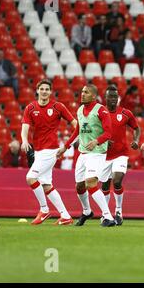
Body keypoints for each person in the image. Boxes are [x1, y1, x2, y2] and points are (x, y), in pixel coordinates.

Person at [57, 84, 116, 227]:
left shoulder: (101, 110)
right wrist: (65, 147)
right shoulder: (79, 110)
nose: (82, 94)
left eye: (86, 92)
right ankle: (87, 211)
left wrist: (96, 141)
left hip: (97, 153)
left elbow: (109, 133)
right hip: (83, 154)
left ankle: (108, 217)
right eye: (82, 91)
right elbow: (77, 131)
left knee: (91, 183)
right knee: (79, 186)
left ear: (94, 96)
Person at [21, 79, 76, 225]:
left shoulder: (58, 106)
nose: (44, 91)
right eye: (42, 89)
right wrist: (24, 140)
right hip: (38, 150)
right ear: (37, 90)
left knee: (30, 178)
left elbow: (75, 124)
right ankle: (65, 216)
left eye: (47, 89)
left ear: (50, 92)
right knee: (46, 184)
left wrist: (72, 141)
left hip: (51, 150)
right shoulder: (30, 108)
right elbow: (25, 126)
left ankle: (44, 210)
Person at [100, 85, 140, 226]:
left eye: (115, 97)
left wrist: (135, 140)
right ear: (105, 98)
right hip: (103, 155)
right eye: (111, 96)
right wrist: (102, 141)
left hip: (121, 154)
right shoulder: (99, 113)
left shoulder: (125, 113)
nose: (113, 99)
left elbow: (136, 127)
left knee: (117, 181)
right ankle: (105, 214)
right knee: (104, 185)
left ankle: (118, 210)